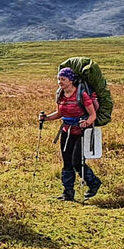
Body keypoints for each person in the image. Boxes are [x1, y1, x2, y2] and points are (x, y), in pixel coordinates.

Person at [40, 67, 101, 201]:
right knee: (67, 163)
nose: (60, 82)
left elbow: (92, 115)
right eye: (59, 79)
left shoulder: (81, 95)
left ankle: (94, 183)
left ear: (71, 80)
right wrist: (47, 118)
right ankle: (68, 193)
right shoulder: (60, 94)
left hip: (81, 132)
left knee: (77, 162)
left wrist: (86, 122)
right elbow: (60, 113)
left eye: (63, 79)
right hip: (66, 131)